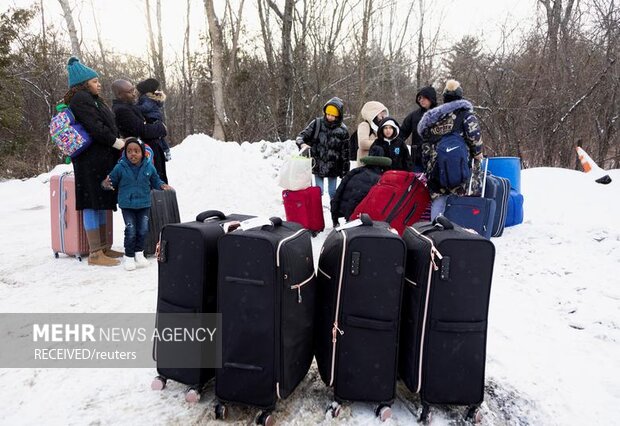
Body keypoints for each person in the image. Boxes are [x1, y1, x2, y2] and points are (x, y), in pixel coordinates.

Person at [64, 56, 125, 267]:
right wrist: (116, 142)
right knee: (92, 201)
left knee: (100, 200)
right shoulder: (81, 99)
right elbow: (95, 126)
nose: (98, 84)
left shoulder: (93, 98)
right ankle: (95, 253)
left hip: (100, 159)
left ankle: (103, 247)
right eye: (94, 81)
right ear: (84, 83)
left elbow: (104, 123)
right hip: (89, 160)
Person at [102, 138, 172, 271]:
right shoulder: (120, 167)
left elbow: (155, 179)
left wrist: (161, 185)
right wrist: (106, 183)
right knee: (131, 230)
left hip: (144, 204)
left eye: (136, 151)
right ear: (125, 153)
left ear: (143, 153)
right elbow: (111, 180)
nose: (133, 154)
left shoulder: (149, 166)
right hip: (127, 205)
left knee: (143, 230)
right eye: (129, 151)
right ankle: (129, 256)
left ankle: (139, 253)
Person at [417, 79, 483, 219]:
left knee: (438, 199)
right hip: (460, 165)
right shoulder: (466, 115)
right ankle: (458, 234)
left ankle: (435, 231)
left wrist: (428, 165)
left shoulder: (433, 118)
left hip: (436, 166)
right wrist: (478, 154)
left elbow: (425, 143)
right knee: (459, 200)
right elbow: (474, 136)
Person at [111, 79, 169, 183]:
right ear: (119, 95)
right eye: (130, 92)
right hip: (144, 154)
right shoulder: (122, 110)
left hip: (148, 152)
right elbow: (142, 131)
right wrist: (161, 128)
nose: (134, 94)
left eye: (133, 90)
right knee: (154, 189)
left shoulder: (129, 106)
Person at [295, 97, 349, 201]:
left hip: (334, 167)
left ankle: (334, 213)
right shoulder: (317, 123)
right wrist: (302, 144)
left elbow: (345, 152)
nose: (330, 117)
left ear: (338, 115)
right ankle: (315, 212)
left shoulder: (343, 130)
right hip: (318, 164)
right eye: (328, 114)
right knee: (318, 192)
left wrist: (345, 172)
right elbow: (301, 136)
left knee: (333, 193)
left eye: (333, 115)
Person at [330, 146, 392, 227]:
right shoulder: (378, 178)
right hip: (356, 217)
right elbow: (355, 199)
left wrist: (335, 218)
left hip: (344, 211)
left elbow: (338, 194)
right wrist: (349, 220)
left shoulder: (355, 171)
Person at [400, 86, 438, 172]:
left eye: (424, 98)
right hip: (417, 158)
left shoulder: (440, 114)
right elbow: (402, 133)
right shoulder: (414, 116)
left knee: (434, 184)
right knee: (417, 183)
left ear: (431, 98)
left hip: (436, 157)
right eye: (420, 98)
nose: (421, 100)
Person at [136, 78, 172, 161]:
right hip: (156, 118)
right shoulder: (151, 97)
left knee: (158, 137)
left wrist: (135, 108)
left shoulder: (146, 98)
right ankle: (166, 151)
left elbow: (146, 108)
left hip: (152, 118)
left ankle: (166, 151)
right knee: (160, 137)